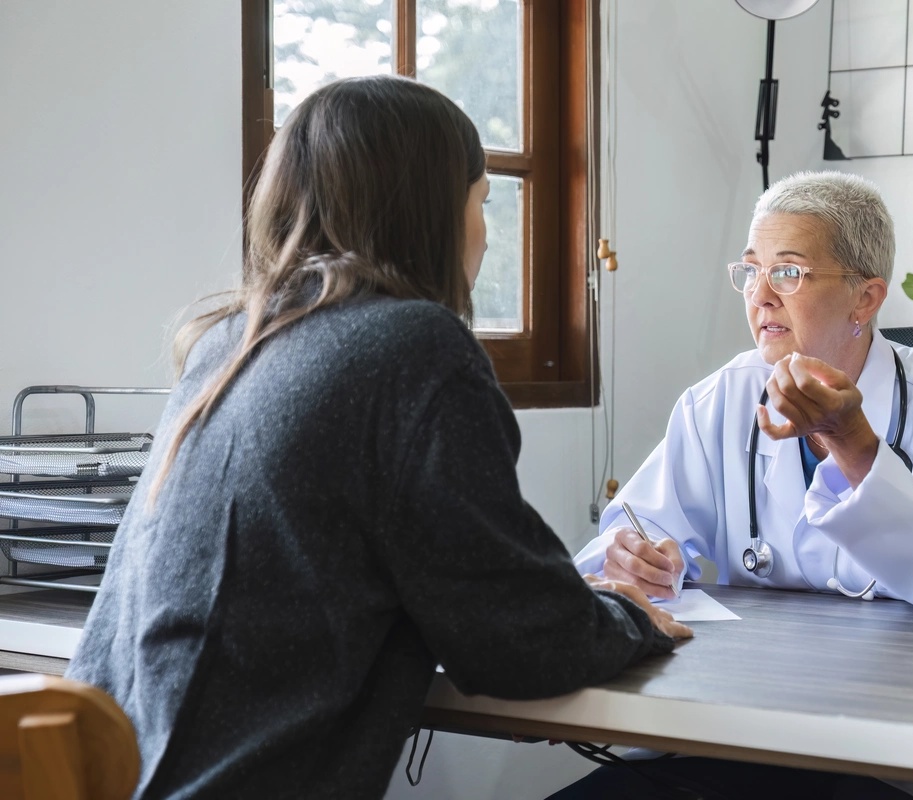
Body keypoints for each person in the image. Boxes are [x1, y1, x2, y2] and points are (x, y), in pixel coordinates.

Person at [65, 75, 690, 800]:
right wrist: (628, 617)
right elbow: (521, 642)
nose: (485, 230)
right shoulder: (413, 347)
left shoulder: (231, 341)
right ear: (429, 210)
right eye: (482, 201)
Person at [557, 171, 913, 799]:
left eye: (789, 272)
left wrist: (854, 443)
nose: (762, 296)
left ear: (865, 299)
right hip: (726, 727)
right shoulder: (718, 400)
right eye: (751, 272)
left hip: (875, 743)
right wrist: (644, 561)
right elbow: (632, 535)